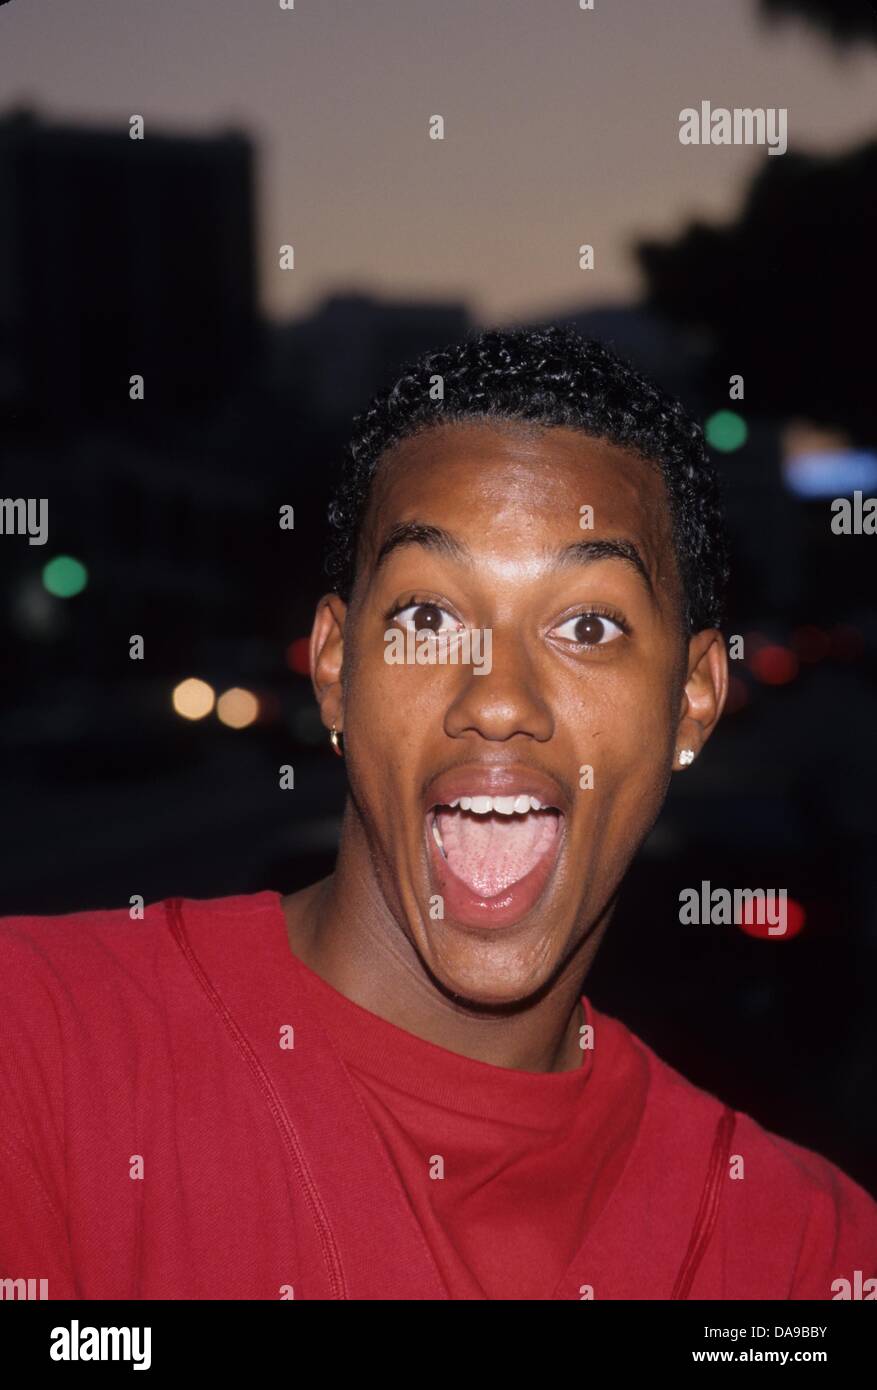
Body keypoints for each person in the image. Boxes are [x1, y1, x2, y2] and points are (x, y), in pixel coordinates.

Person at [1, 326, 875, 1301]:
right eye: (427, 617)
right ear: (335, 671)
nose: (498, 697)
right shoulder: (35, 1052)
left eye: (587, 623)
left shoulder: (803, 1252)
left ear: (692, 700)